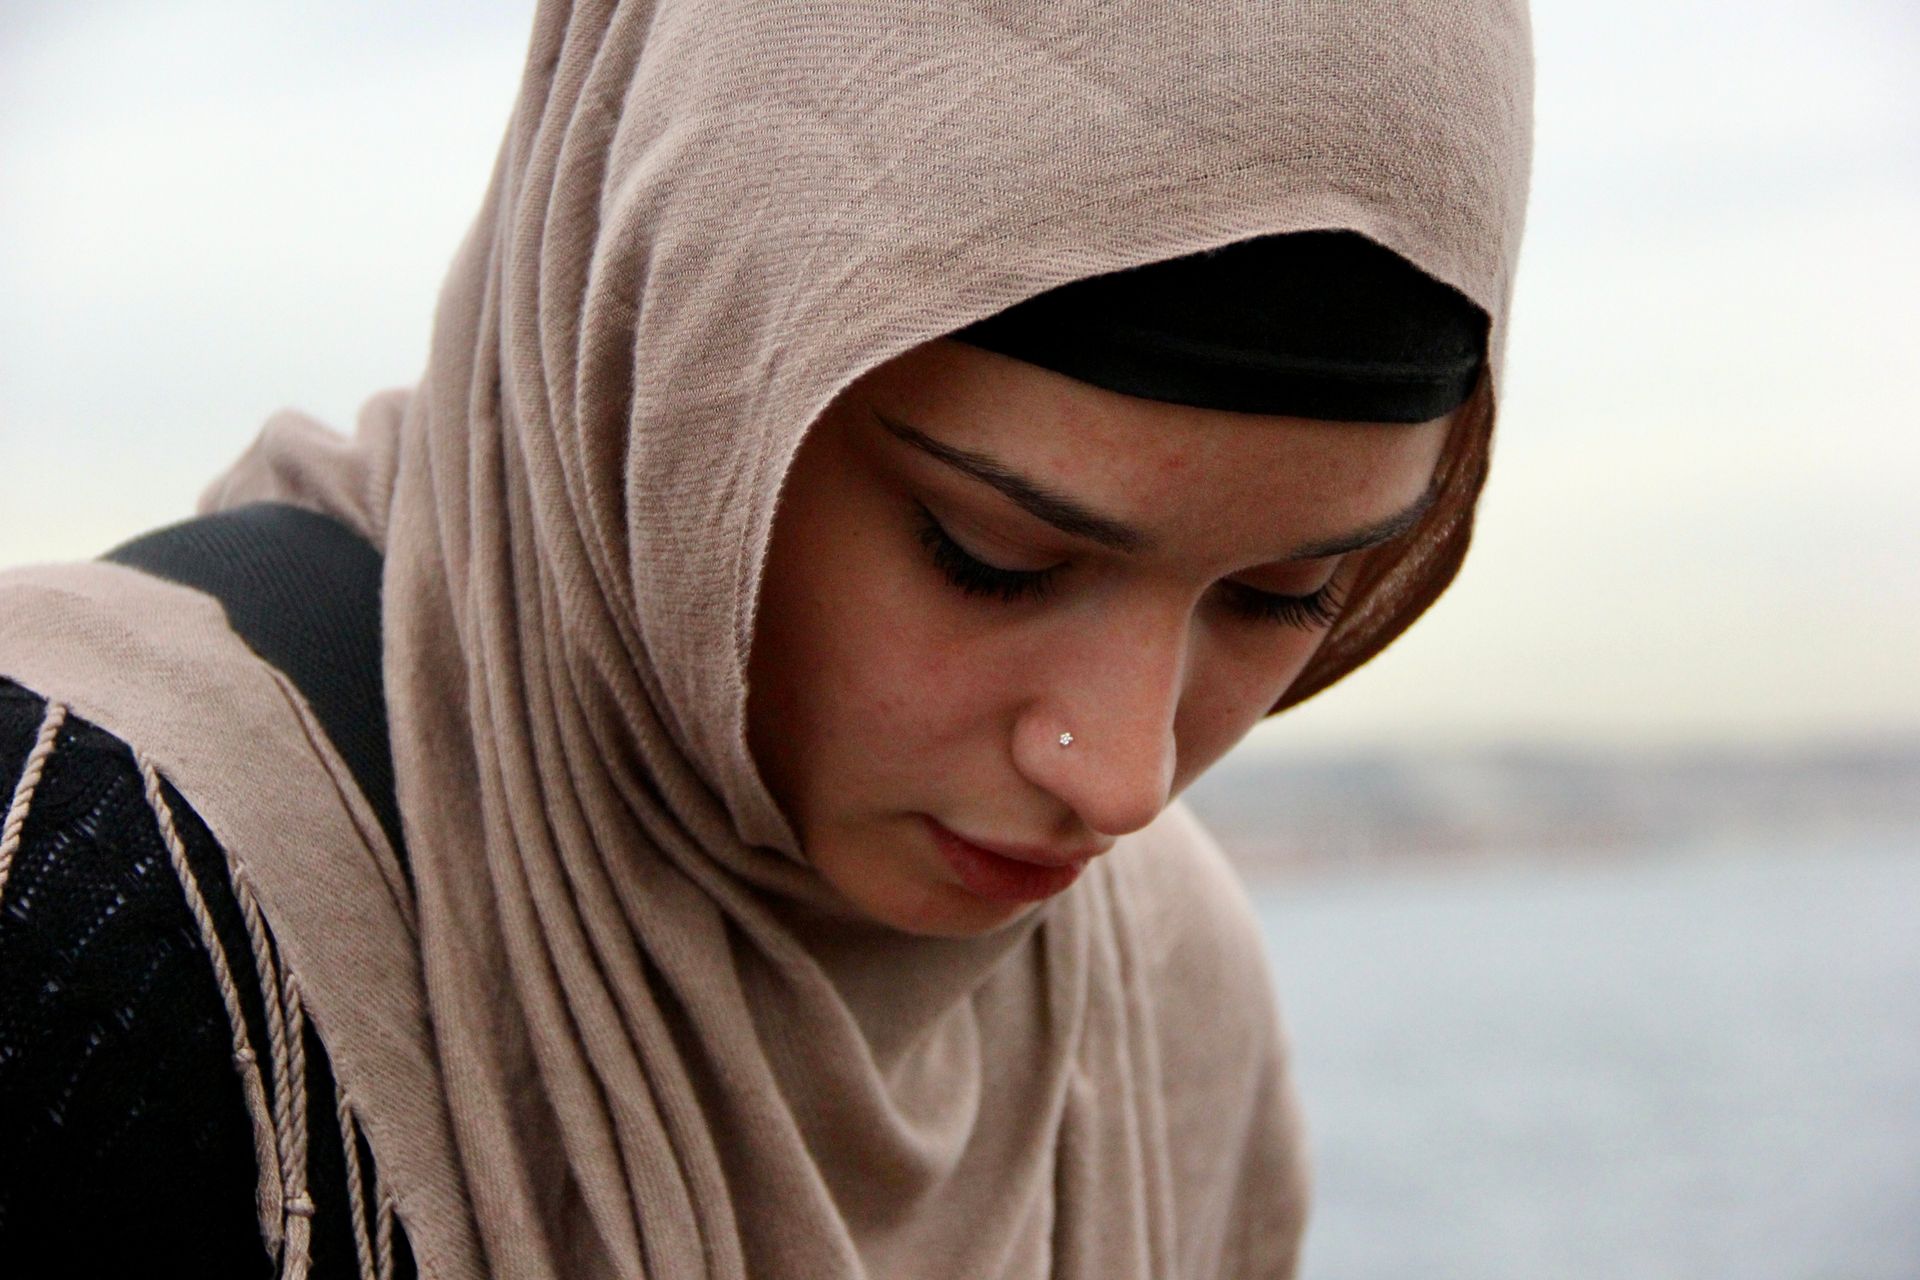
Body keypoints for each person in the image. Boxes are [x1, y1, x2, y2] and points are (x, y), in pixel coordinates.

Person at [0, 1, 1533, 1276]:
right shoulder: (74, 888)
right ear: (683, 347)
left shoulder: (1169, 983)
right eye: (991, 555)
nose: (1122, 780)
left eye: (1287, 596)